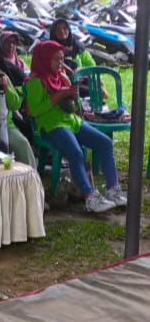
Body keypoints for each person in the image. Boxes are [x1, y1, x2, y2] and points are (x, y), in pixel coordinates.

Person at [25, 41, 123, 213]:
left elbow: (72, 105)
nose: (60, 63)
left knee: (105, 143)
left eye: (62, 58)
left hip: (71, 121)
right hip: (50, 125)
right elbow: (34, 111)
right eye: (56, 59)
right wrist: (61, 94)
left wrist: (73, 97)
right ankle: (90, 196)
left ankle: (113, 189)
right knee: (75, 152)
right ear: (45, 59)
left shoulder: (61, 76)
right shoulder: (34, 81)